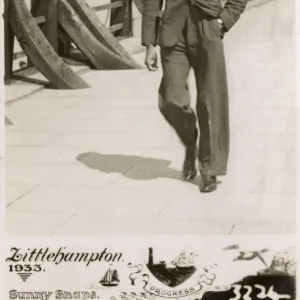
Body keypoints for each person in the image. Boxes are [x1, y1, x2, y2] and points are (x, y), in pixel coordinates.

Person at [142, 0, 247, 192]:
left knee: (211, 101)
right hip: (173, 29)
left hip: (207, 27)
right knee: (171, 98)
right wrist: (149, 43)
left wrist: (224, 20)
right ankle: (191, 143)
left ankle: (209, 169)